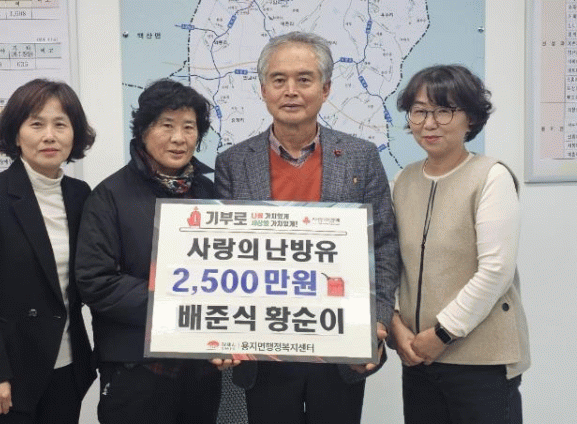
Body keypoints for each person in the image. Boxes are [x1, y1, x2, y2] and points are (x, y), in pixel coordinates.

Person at [214, 31, 400, 424]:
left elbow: (383, 245)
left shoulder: (361, 157)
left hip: (339, 344)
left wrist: (378, 321)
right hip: (263, 348)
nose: (291, 91)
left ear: (325, 89)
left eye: (304, 79)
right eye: (279, 79)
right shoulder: (233, 162)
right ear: (263, 90)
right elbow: (223, 255)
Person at [0, 79, 97, 423]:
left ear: (74, 134)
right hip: (6, 371)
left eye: (60, 124)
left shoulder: (80, 195)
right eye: (36, 124)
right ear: (16, 134)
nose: (49, 136)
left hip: (66, 366)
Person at [74, 79, 223, 424]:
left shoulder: (210, 193)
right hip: (136, 369)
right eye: (166, 125)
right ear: (143, 131)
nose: (179, 138)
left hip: (200, 368)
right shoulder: (109, 196)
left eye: (189, 127)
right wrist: (174, 301)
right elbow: (96, 282)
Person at [390, 64, 531, 424]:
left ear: (471, 117)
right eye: (419, 111)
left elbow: (496, 271)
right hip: (418, 358)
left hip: (480, 361)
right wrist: (395, 325)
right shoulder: (403, 181)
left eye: (444, 111)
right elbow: (390, 262)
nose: (429, 123)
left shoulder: (491, 176)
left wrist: (442, 333)